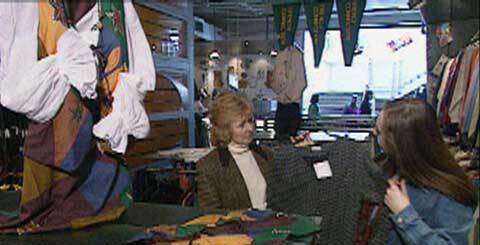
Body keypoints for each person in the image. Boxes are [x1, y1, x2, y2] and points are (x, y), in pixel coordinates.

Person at [373, 99, 476, 245]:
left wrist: (404, 213)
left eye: (379, 132)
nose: (374, 134)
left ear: (399, 144)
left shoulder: (447, 195)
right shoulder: (381, 169)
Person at [196, 92, 272, 210]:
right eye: (242, 125)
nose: (250, 128)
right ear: (225, 129)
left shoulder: (264, 154)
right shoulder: (209, 166)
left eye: (250, 121)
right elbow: (211, 215)